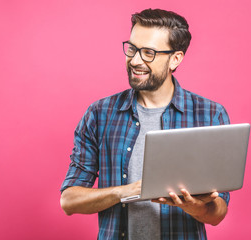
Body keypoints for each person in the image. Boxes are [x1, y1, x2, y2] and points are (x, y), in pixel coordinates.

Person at [60, 8, 230, 240]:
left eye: (148, 52)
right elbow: (69, 200)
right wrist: (128, 191)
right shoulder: (100, 114)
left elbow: (218, 212)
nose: (135, 60)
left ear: (175, 59)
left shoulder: (210, 115)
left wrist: (194, 207)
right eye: (132, 48)